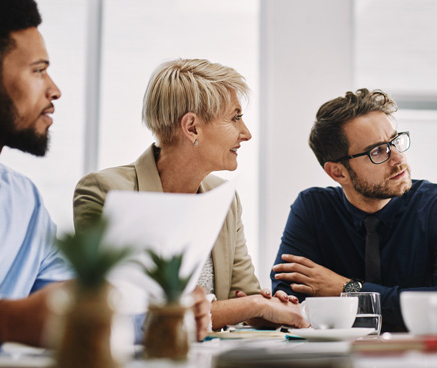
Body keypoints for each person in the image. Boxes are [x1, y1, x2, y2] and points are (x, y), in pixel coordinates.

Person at [0, 0, 210, 353]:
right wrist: (6, 320)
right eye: (38, 71)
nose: (54, 90)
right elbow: (22, 317)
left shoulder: (23, 201)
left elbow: (71, 304)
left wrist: (158, 317)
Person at [73, 58, 307, 329]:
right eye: (235, 117)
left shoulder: (225, 198)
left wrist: (267, 309)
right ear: (192, 127)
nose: (247, 133)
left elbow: (244, 295)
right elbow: (119, 310)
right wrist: (251, 306)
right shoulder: (105, 191)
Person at [270, 88, 437, 333]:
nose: (398, 158)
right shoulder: (313, 208)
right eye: (378, 151)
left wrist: (347, 289)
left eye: (395, 141)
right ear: (338, 172)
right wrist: (406, 305)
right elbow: (289, 306)